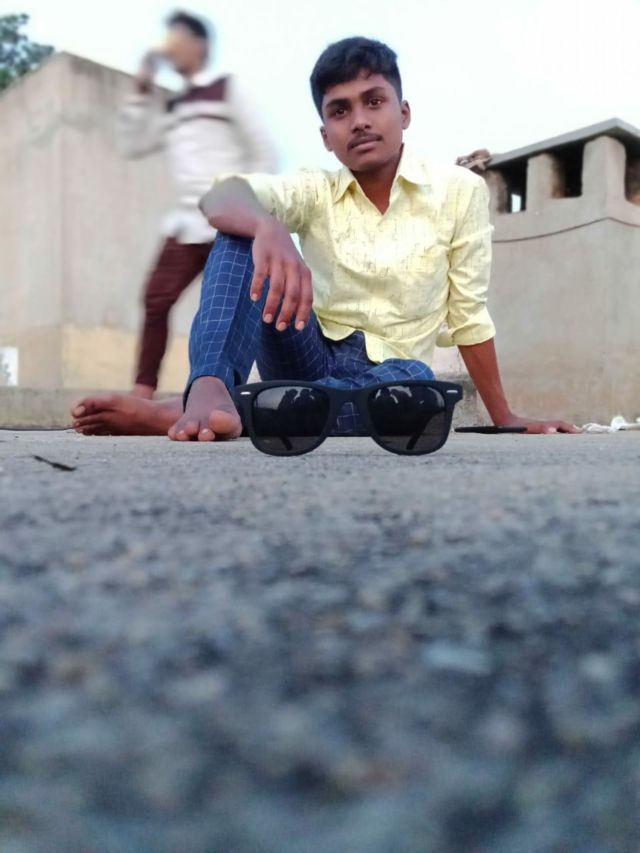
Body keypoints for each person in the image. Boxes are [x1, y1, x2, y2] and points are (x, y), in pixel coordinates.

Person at [72, 37, 578, 438]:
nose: (359, 121)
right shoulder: (315, 188)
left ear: (403, 113)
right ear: (325, 136)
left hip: (389, 373)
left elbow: (468, 314)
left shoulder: (459, 191)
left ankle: (222, 411)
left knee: (419, 386)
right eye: (340, 111)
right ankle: (208, 389)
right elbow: (220, 196)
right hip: (303, 350)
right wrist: (268, 227)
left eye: (373, 102)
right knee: (239, 232)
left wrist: (505, 417)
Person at [119, 9, 276, 399]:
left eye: (178, 39)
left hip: (228, 220)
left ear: (199, 45)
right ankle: (142, 393)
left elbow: (265, 152)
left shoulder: (226, 89)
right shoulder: (173, 106)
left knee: (229, 312)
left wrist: (243, 202)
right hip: (187, 223)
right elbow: (131, 144)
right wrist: (140, 90)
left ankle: (229, 392)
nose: (170, 49)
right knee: (156, 299)